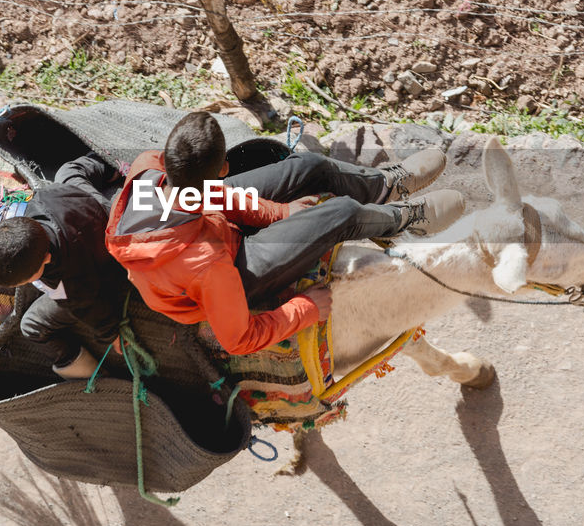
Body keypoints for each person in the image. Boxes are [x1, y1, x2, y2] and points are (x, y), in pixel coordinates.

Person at [105, 111, 464, 356]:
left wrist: (280, 213)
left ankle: (383, 185)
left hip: (205, 231)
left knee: (308, 166)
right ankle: (402, 218)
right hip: (225, 270)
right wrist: (305, 309)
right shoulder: (207, 265)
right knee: (339, 214)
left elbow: (205, 195)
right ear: (223, 168)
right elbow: (237, 339)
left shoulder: (149, 170)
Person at [0, 151, 128, 380]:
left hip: (106, 260)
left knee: (31, 326)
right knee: (68, 172)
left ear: (47, 259)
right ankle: (113, 166)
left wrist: (111, 335)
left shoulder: (64, 282)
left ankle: (88, 373)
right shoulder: (39, 201)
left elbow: (90, 308)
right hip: (90, 203)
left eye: (27, 279)